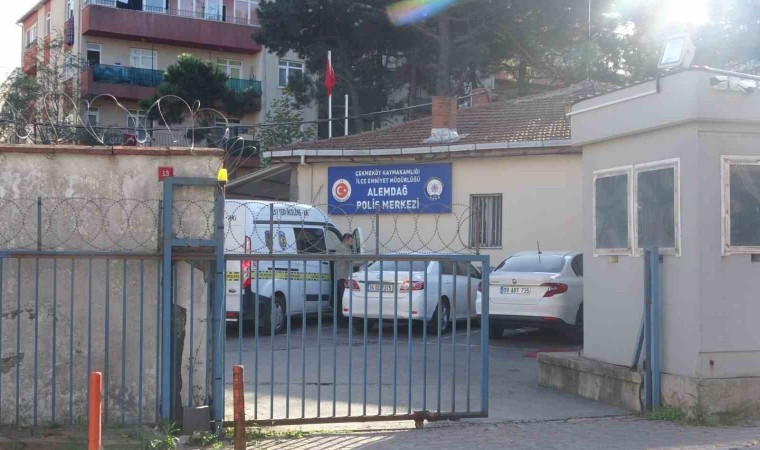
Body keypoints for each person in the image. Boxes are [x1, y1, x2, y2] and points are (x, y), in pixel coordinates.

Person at [334, 233, 354, 326]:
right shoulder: (342, 248)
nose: (352, 243)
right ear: (346, 240)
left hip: (344, 277)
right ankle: (341, 321)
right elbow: (350, 260)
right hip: (342, 277)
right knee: (343, 299)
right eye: (350, 241)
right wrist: (365, 260)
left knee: (343, 299)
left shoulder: (346, 248)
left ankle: (343, 320)